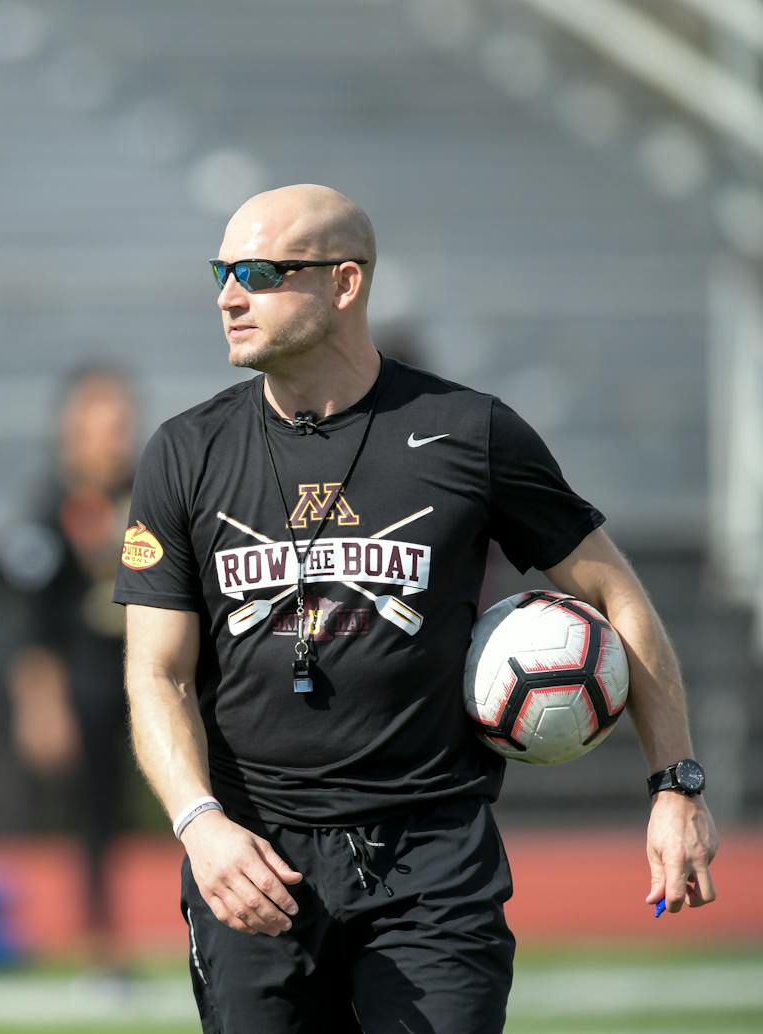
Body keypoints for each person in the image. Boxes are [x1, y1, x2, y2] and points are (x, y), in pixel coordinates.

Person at [112, 184, 717, 1033]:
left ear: (344, 284)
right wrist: (197, 822)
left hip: (431, 861)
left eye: (257, 271)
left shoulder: (470, 432)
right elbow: (155, 671)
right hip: (251, 862)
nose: (227, 295)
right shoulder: (185, 451)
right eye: (221, 270)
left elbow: (615, 593)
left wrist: (676, 786)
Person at [3, 365, 138, 972]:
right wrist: (40, 703)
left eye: (121, 422)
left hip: (154, 676)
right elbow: (33, 623)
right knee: (96, 814)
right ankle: (100, 944)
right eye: (101, 422)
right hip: (85, 685)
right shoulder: (48, 508)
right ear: (72, 430)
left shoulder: (152, 492)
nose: (114, 436)